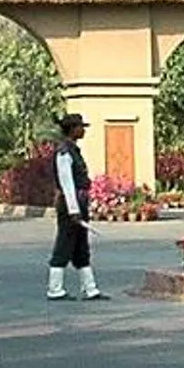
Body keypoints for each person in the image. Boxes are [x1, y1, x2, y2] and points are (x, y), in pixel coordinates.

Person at [47, 112, 103, 301]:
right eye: (80, 127)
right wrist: (74, 210)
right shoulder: (64, 152)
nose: (83, 130)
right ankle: (55, 288)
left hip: (80, 202)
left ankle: (90, 288)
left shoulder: (73, 150)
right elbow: (67, 183)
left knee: (81, 246)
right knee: (65, 243)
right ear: (72, 129)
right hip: (71, 204)